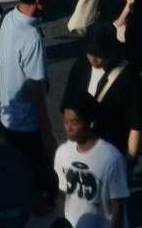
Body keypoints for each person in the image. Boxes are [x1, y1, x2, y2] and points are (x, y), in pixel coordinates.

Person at [0, 0, 59, 191]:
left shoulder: (6, 17)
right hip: (26, 127)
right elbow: (35, 90)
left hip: (4, 116)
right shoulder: (32, 39)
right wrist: (47, 132)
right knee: (38, 184)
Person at [55, 94, 130, 228]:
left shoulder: (111, 158)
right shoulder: (62, 153)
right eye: (65, 121)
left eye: (75, 122)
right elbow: (62, 196)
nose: (68, 128)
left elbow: (117, 207)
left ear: (91, 123)